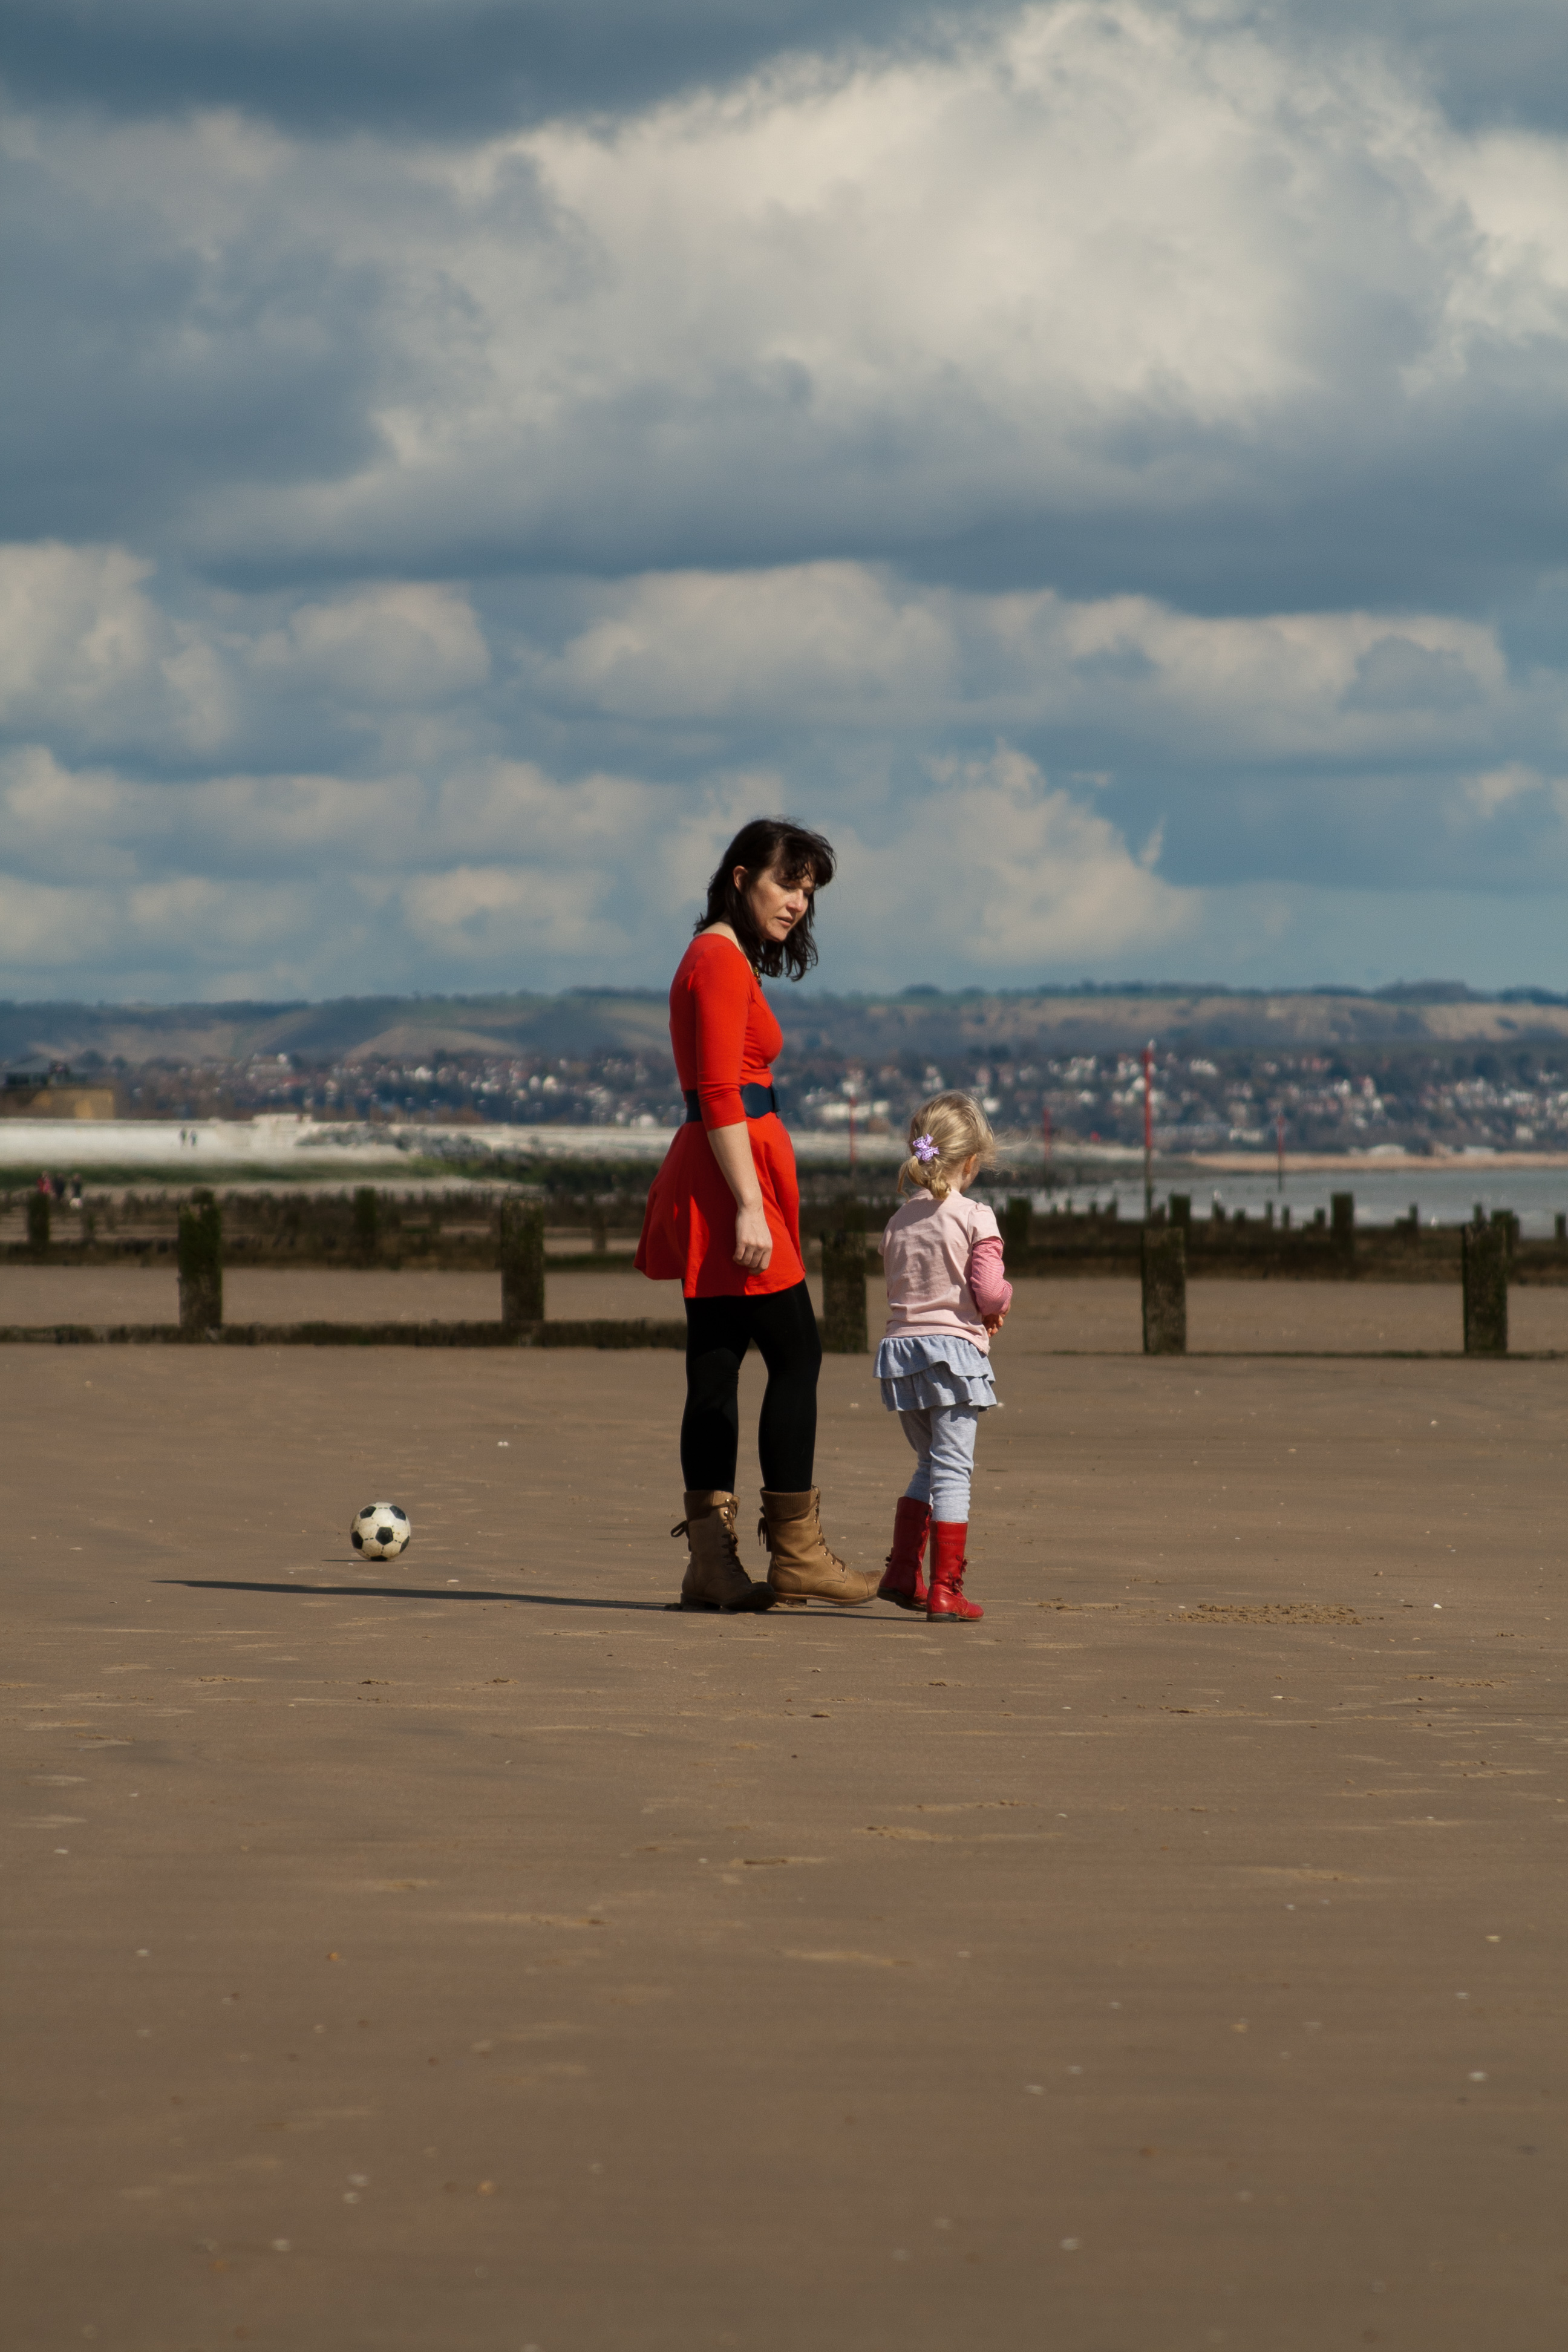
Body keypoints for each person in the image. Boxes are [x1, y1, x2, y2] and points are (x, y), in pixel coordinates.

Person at [636, 817, 881, 1613]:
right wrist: (749, 1205)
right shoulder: (717, 958)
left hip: (726, 1169)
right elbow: (717, 1091)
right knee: (796, 1353)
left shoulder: (723, 955)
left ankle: (712, 1566)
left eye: (808, 891)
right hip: (730, 1178)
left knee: (716, 1364)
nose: (798, 903)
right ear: (741, 878)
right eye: (787, 884)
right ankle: (798, 1555)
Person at [872, 1093, 1013, 1622]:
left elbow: (904, 1285)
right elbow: (989, 1290)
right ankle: (946, 1588)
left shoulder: (898, 1221)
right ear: (971, 1162)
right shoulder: (976, 1216)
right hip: (952, 1357)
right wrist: (999, 1306)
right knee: (954, 1470)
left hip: (902, 1355)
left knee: (929, 1462)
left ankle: (902, 1570)